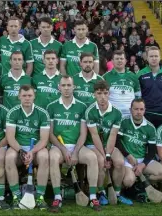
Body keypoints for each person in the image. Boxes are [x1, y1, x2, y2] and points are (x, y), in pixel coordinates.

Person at [48, 75, 101, 212]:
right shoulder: (52, 106)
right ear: (59, 87)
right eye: (63, 85)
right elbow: (50, 134)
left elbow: (83, 133)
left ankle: (93, 197)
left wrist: (76, 152)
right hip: (59, 147)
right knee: (53, 157)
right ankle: (57, 197)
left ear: (74, 87)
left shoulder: (82, 106)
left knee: (92, 157)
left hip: (77, 146)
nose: (66, 88)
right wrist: (64, 150)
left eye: (69, 85)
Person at [85, 80, 133, 206]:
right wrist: (104, 156)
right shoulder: (90, 111)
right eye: (99, 93)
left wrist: (108, 154)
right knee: (100, 161)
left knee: (119, 162)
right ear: (94, 94)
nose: (102, 97)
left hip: (109, 145)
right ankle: (101, 192)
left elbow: (112, 136)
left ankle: (117, 193)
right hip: (93, 145)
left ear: (109, 94)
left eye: (105, 93)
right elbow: (95, 136)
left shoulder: (116, 112)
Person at [5, 84, 50, 210]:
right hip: (18, 148)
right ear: (19, 96)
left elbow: (44, 139)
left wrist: (32, 151)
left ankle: (40, 197)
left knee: (45, 157)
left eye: (29, 95)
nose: (27, 98)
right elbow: (10, 137)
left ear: (34, 96)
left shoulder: (42, 113)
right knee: (8, 157)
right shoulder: (13, 112)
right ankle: (16, 197)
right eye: (24, 96)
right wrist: (21, 151)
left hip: (36, 149)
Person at [116, 99, 162, 196]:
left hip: (142, 161)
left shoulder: (150, 127)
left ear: (145, 110)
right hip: (127, 160)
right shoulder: (124, 122)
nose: (138, 112)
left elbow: (152, 151)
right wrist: (128, 155)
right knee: (128, 181)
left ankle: (142, 183)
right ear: (130, 109)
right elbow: (117, 141)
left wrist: (143, 164)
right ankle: (132, 184)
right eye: (136, 109)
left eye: (141, 109)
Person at [137, 46, 162, 128]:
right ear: (147, 58)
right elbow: (137, 94)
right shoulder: (140, 74)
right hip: (146, 113)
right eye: (151, 56)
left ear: (160, 57)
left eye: (156, 56)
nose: (154, 58)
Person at [103, 50, 140, 117]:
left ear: (125, 61)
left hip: (130, 115)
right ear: (112, 61)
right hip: (112, 115)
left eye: (121, 58)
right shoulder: (105, 77)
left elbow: (138, 96)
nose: (119, 61)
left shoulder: (133, 76)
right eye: (117, 59)